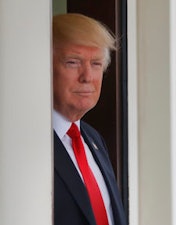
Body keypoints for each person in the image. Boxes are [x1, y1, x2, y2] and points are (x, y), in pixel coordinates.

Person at [52, 13, 127, 225]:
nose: (87, 76)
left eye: (96, 64)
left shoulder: (93, 139)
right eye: (73, 62)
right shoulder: (22, 143)